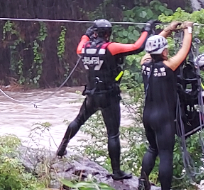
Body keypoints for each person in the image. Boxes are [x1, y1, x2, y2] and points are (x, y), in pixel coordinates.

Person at [55, 18, 157, 181]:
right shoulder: (111, 47)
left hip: (91, 94)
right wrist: (147, 28)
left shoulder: (84, 48)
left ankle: (61, 148)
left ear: (95, 33)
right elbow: (138, 47)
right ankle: (116, 171)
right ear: (108, 33)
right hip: (109, 96)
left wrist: (86, 35)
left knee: (79, 119)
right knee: (113, 134)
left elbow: (80, 45)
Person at [138, 21, 193, 190]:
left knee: (152, 148)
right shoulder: (169, 65)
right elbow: (184, 50)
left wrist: (167, 30)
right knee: (165, 155)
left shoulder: (144, 63)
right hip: (164, 118)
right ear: (164, 51)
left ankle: (142, 184)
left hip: (148, 116)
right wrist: (188, 29)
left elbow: (150, 48)